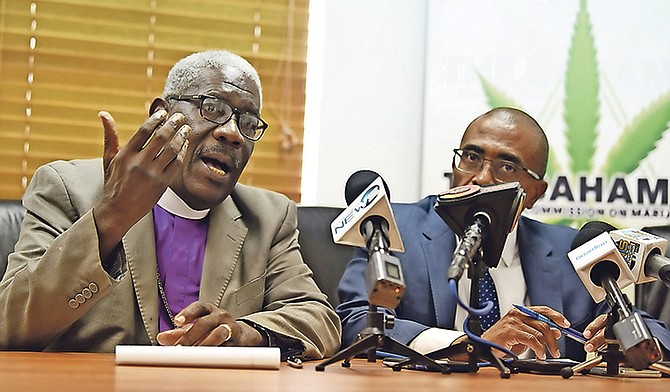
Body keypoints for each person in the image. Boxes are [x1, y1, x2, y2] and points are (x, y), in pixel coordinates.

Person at [0, 50, 341, 359]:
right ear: (162, 114)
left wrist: (242, 334)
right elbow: (9, 324)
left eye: (249, 123)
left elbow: (319, 318)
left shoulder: (269, 216)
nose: (233, 133)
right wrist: (110, 218)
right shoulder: (68, 187)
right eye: (213, 108)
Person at [337, 107, 670, 361]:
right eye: (471, 157)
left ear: (535, 192)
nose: (481, 177)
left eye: (507, 167)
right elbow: (357, 322)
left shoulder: (572, 251)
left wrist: (625, 340)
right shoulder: (396, 230)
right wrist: (470, 348)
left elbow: (648, 330)